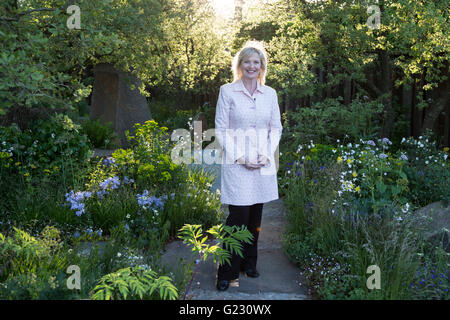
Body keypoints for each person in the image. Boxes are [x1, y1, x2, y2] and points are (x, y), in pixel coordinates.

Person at [214, 41, 283, 291]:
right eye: (247, 61)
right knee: (237, 219)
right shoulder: (227, 91)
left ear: (262, 66)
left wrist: (266, 154)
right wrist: (241, 158)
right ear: (239, 65)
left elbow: (275, 127)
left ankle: (248, 263)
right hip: (238, 164)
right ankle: (226, 272)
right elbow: (220, 129)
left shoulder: (270, 94)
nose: (252, 66)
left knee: (255, 216)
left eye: (256, 62)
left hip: (262, 162)